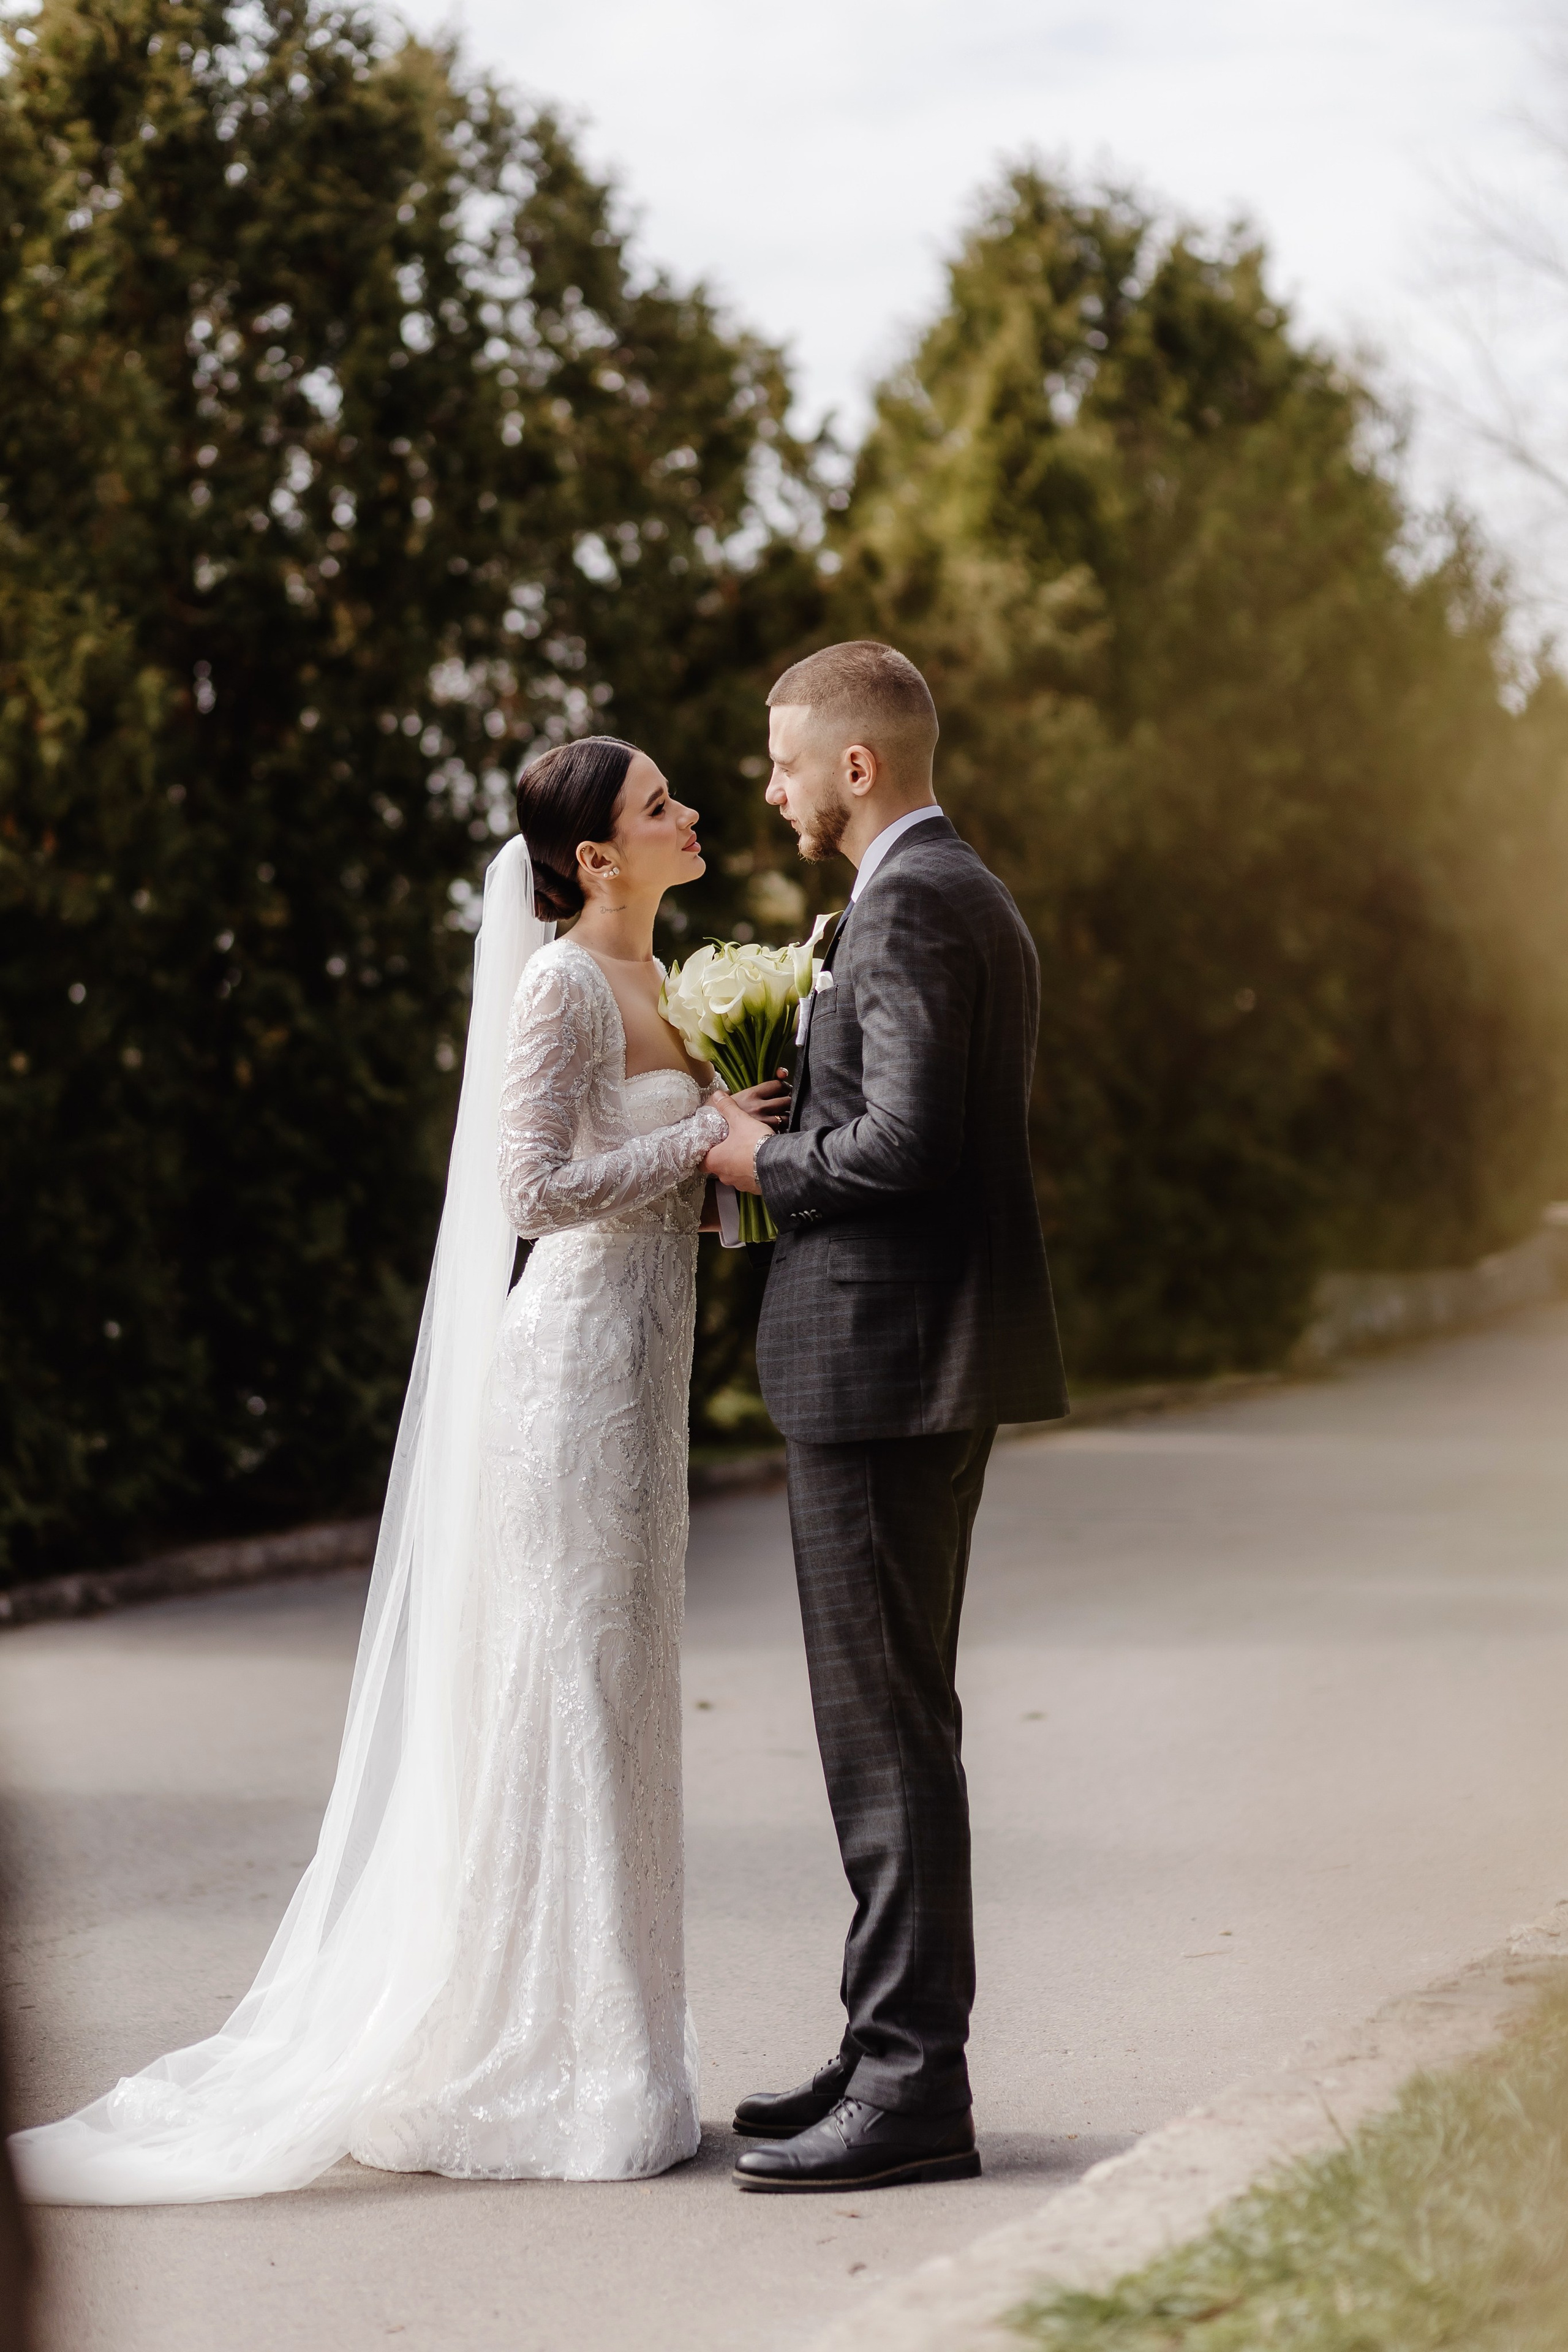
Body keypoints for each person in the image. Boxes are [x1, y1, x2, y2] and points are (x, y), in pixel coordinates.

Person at [9, 737, 779, 2204]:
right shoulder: (557, 984)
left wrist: (747, 1145)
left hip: (642, 1386)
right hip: (561, 1388)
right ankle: (544, 2066)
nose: (691, 815)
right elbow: (531, 1193)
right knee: (558, 1691)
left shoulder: (670, 992)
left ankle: (618, 2050)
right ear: (596, 859)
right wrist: (700, 1138)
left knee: (618, 1703)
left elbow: (689, 1192)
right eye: (659, 805)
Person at [704, 641, 1068, 2193]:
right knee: (887, 1726)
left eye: (785, 761)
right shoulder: (929, 890)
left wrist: (750, 1164)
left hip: (888, 1363)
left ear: (857, 766)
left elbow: (905, 1145)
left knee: (887, 1735)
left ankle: (915, 2083)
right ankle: (879, 2049)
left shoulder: (917, 898)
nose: (770, 787)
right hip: (899, 1359)